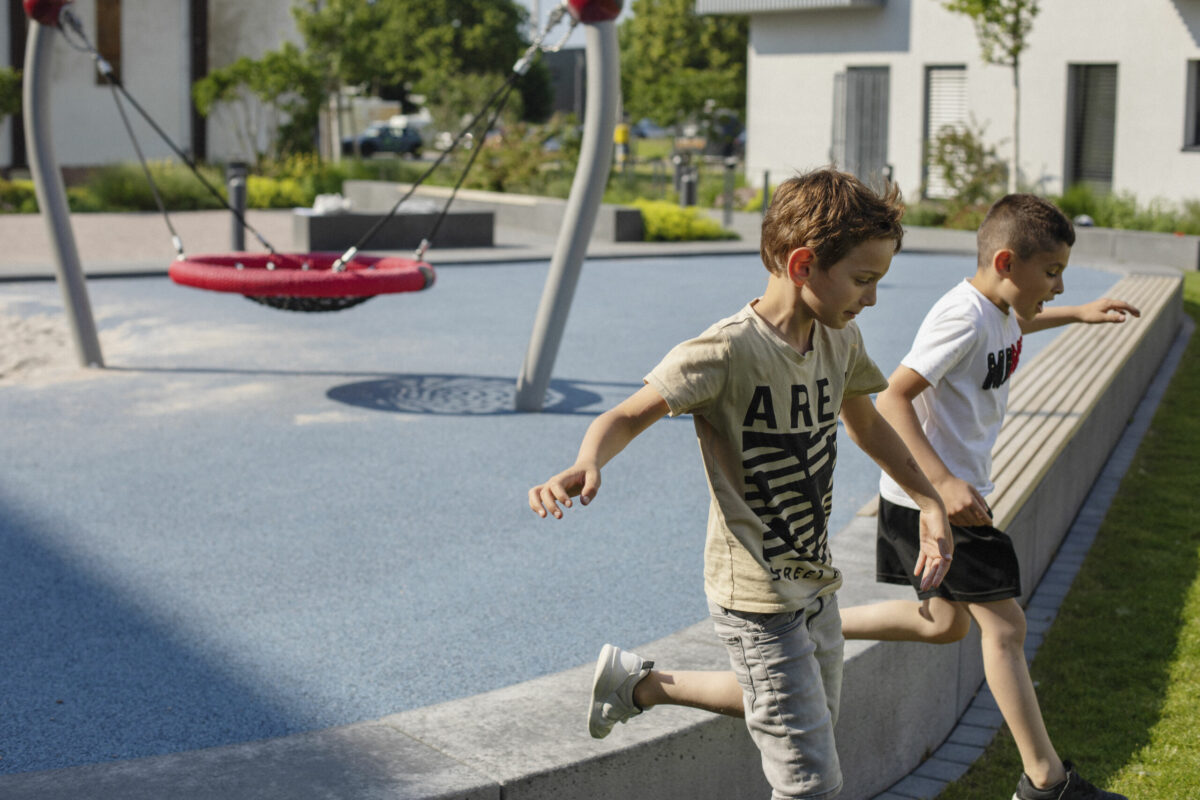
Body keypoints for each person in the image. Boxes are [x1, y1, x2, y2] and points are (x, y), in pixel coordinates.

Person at [528, 168, 954, 799]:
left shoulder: (839, 338)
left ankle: (638, 685)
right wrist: (590, 459)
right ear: (804, 263)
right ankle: (639, 686)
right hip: (755, 596)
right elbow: (625, 414)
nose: (870, 299)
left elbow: (867, 425)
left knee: (802, 718)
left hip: (815, 583)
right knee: (809, 781)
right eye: (863, 280)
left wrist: (928, 499)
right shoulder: (727, 351)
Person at [841, 193, 1139, 800]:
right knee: (1005, 627)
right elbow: (894, 398)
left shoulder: (997, 309)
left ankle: (816, 623)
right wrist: (943, 487)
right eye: (1051, 273)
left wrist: (1079, 313)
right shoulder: (961, 315)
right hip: (934, 498)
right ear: (1006, 261)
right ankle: (1045, 782)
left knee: (946, 625)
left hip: (945, 495)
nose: (1056, 286)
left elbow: (1014, 325)